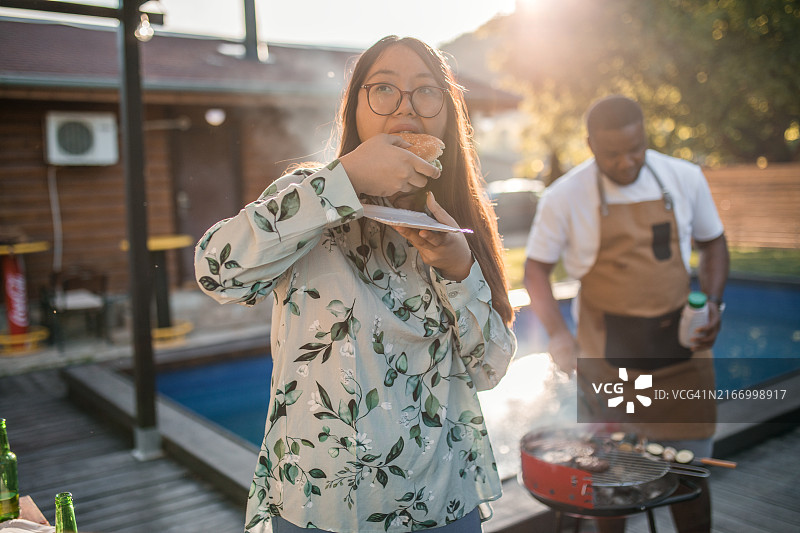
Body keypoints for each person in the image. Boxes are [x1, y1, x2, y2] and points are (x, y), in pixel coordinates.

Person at [195, 36, 517, 533]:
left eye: (426, 92)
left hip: (443, 501)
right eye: (384, 89)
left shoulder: (459, 219)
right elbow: (216, 271)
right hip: (322, 504)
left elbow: (491, 367)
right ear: (355, 109)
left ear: (448, 115)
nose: (406, 107)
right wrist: (342, 181)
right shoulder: (305, 196)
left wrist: (459, 270)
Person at [524, 95, 729, 532]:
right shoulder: (565, 195)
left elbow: (713, 242)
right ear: (589, 143)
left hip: (681, 364)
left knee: (688, 479)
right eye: (612, 153)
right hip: (607, 367)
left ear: (645, 136)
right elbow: (536, 271)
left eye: (636, 148)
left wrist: (713, 302)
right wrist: (559, 335)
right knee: (606, 485)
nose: (626, 162)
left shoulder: (684, 177)